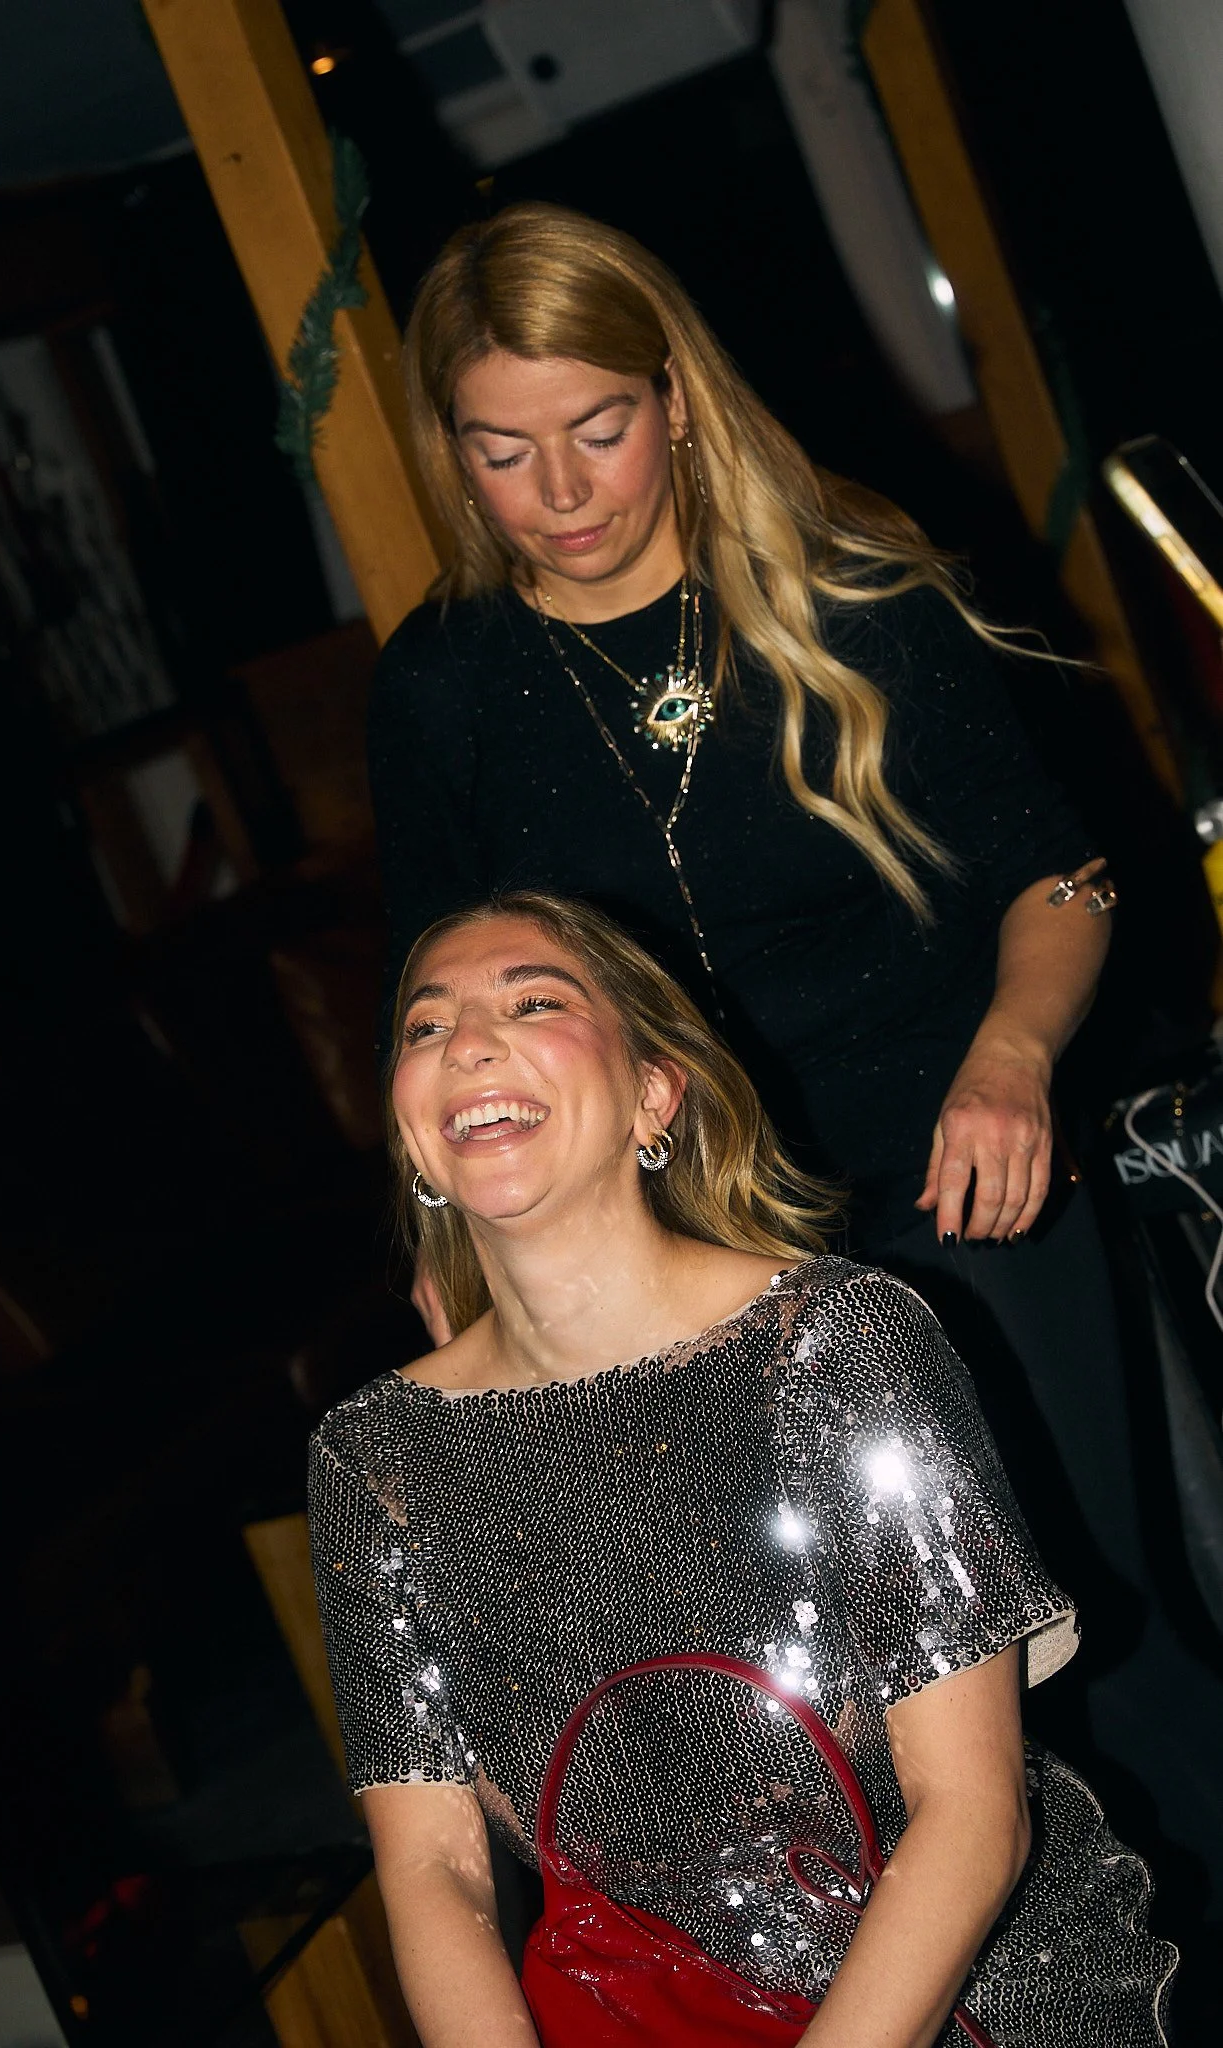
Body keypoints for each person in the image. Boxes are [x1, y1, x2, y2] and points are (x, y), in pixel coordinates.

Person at [366, 202, 1223, 1931]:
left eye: (599, 428)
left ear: (675, 395)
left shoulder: (857, 585)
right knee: (841, 1721)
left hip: (955, 1177)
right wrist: (455, 1265)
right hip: (679, 1258)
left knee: (1088, 1642)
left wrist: (1011, 1050)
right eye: (505, 450)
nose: (566, 487)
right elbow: (448, 1007)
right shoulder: (449, 686)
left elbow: (1058, 876)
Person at [308, 893, 1175, 2048]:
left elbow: (973, 1817)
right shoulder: (372, 1456)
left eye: (534, 1000)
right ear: (412, 1131)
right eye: (425, 1028)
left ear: (654, 1094)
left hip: (970, 1997)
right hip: (643, 2007)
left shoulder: (838, 1342)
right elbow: (433, 1866)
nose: (467, 1041)